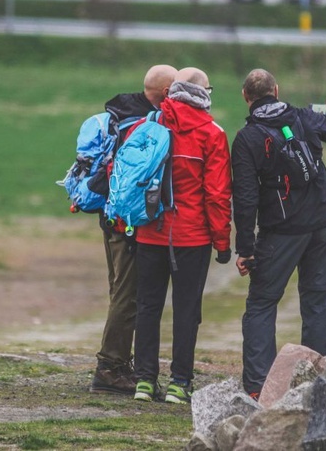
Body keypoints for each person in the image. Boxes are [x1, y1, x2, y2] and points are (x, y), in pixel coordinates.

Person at [231, 68, 326, 400]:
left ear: (245, 97)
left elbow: (246, 198)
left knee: (262, 303)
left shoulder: (247, 139)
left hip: (280, 233)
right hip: (323, 224)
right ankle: (317, 383)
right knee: (317, 301)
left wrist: (246, 248)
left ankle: (258, 386)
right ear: (277, 90)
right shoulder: (304, 117)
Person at [132, 67, 233, 404]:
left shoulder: (149, 123)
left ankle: (144, 381)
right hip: (191, 237)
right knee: (187, 310)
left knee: (147, 306)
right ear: (204, 93)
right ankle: (179, 383)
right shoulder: (212, 133)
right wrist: (222, 242)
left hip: (149, 231)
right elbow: (217, 195)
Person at [89, 64, 178, 395]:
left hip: (109, 215)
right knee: (128, 295)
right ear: (167, 94)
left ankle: (118, 362)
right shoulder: (146, 124)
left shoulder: (120, 113)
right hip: (128, 223)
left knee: (120, 291)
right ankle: (110, 368)